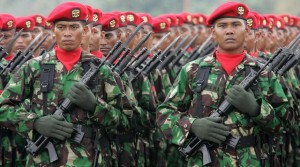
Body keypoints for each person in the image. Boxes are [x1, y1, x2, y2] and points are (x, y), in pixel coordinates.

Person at [156, 2, 289, 166]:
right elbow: (164, 114)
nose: (229, 30)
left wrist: (256, 109)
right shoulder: (193, 70)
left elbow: (286, 122)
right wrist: (193, 125)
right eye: (222, 26)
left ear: (246, 30)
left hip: (250, 161)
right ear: (213, 33)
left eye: (236, 25)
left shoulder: (263, 73)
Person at [0, 2, 128, 166]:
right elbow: (3, 108)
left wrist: (95, 106)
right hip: (43, 160)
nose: (67, 33)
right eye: (61, 27)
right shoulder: (33, 67)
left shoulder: (101, 71)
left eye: (74, 27)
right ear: (54, 31)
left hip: (88, 160)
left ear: (85, 30)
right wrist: (35, 122)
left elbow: (126, 121)